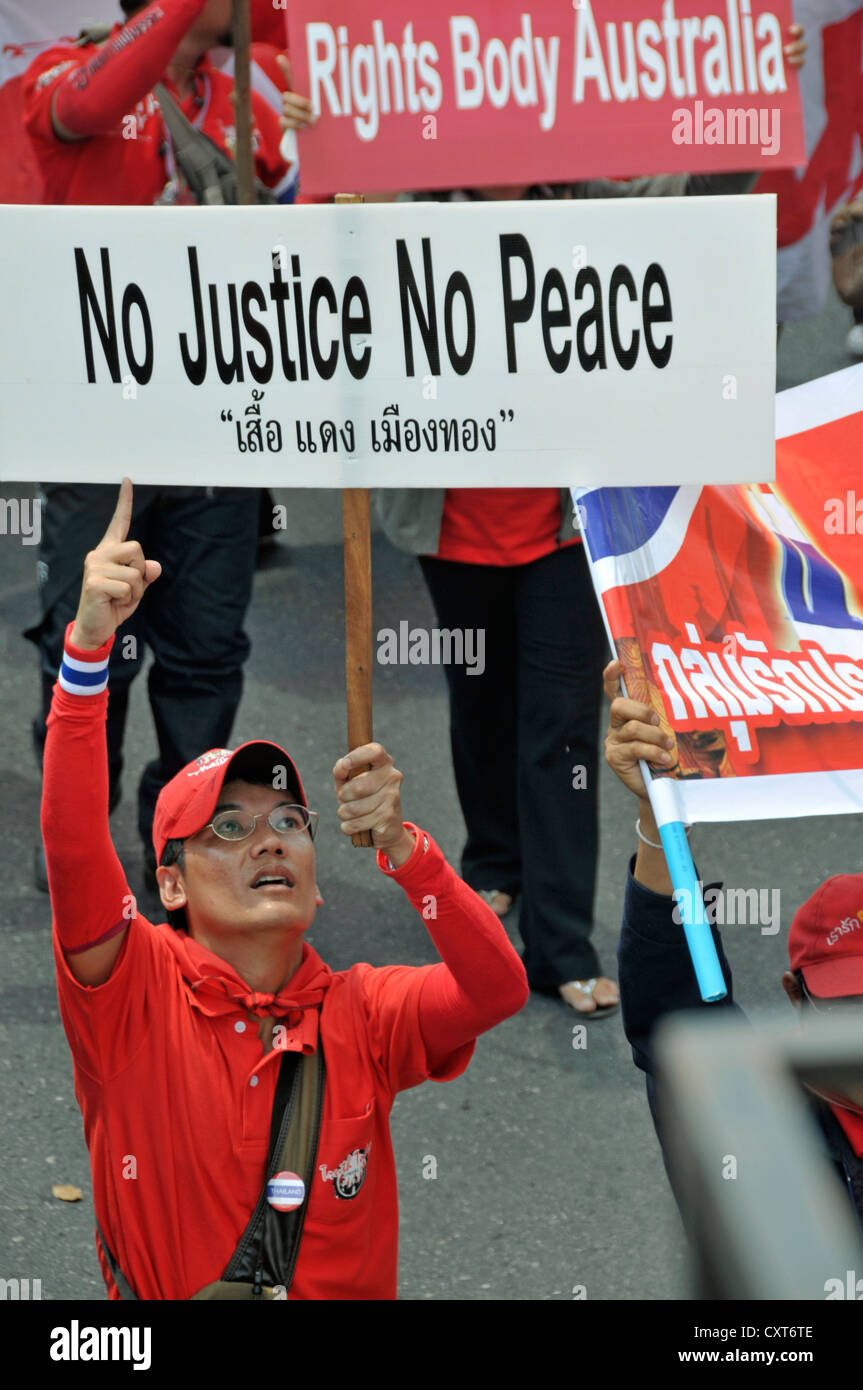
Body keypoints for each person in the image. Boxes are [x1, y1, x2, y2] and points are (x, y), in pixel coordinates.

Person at [43, 479, 529, 1300]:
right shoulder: (131, 989)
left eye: (288, 823)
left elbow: (495, 989)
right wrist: (88, 652)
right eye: (226, 829)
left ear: (317, 885)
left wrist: (409, 853)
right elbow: (71, 842)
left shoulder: (364, 1013)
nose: (267, 839)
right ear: (168, 883)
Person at [21, 0, 295, 890]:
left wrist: (320, 154)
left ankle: (180, 842)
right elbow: (88, 111)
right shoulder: (60, 68)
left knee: (208, 656)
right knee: (87, 648)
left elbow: (299, 229)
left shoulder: (248, 88)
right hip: (101, 429)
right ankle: (78, 846)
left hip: (219, 428)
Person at [602, 657, 863, 1229]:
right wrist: (657, 811)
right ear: (796, 997)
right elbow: (674, 1011)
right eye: (852, 1006)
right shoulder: (750, 1116)